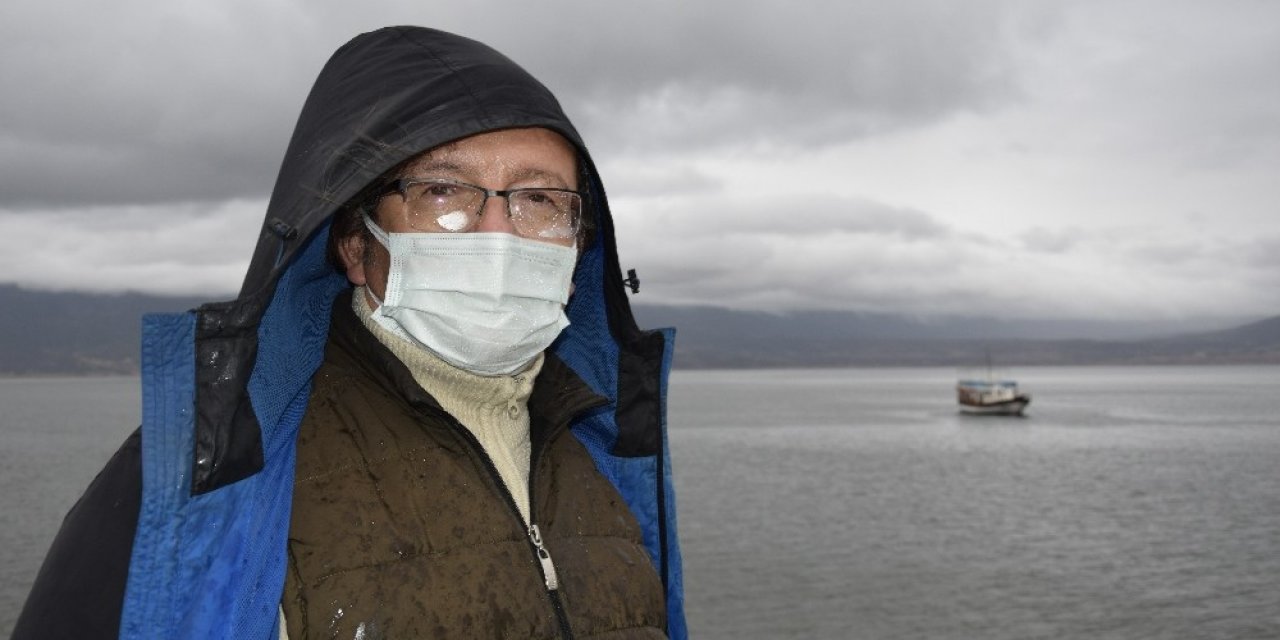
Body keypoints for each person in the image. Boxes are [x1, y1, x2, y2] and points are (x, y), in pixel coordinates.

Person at [14, 26, 685, 639]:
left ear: (578, 256)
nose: (498, 235)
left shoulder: (606, 443)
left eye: (539, 200)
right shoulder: (211, 472)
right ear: (357, 246)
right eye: (443, 192)